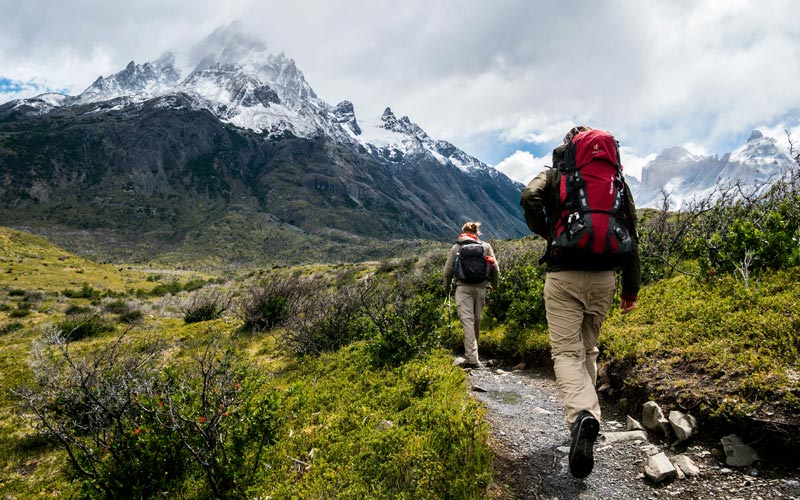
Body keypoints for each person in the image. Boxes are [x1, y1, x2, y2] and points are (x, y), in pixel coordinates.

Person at [520, 126, 641, 478]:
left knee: (566, 353)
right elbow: (631, 232)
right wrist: (630, 290)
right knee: (588, 349)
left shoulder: (557, 174)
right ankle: (588, 417)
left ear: (569, 147)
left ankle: (582, 416)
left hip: (564, 275)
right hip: (605, 278)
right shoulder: (615, 180)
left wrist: (548, 230)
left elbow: (529, 197)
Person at [443, 221, 500, 369]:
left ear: (463, 232)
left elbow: (447, 271)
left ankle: (473, 359)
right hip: (481, 288)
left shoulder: (457, 247)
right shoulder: (485, 246)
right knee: (476, 320)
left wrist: (447, 288)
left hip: (463, 288)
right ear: (477, 233)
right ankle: (474, 355)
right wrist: (494, 286)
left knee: (467, 321)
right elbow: (495, 267)